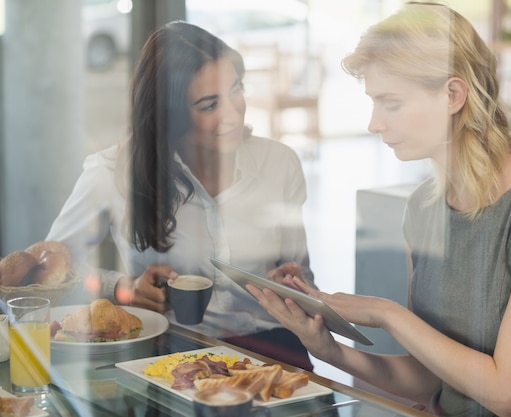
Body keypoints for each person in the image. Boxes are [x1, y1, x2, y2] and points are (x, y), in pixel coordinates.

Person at [248, 2, 511, 415]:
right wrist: (326, 347)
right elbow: (428, 377)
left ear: (453, 94)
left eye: (390, 103)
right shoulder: (424, 208)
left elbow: (505, 393)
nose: (374, 123)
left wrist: (385, 312)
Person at [46, 21, 315, 370]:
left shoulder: (279, 163)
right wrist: (122, 288)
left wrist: (293, 286)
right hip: (172, 353)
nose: (233, 115)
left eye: (236, 90)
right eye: (208, 105)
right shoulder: (110, 174)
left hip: (274, 349)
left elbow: (304, 279)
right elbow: (50, 276)